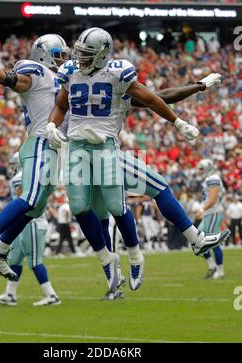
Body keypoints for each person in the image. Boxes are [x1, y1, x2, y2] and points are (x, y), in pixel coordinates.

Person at [48, 27, 230, 293]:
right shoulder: (73, 75)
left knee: (119, 205)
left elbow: (159, 97)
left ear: (101, 56)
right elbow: (61, 106)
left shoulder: (118, 81)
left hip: (106, 149)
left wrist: (197, 89)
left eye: (88, 54)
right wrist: (52, 127)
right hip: (78, 149)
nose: (81, 59)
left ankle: (139, 256)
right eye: (81, 53)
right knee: (93, 210)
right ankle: (115, 264)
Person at [0, 35, 70, 279]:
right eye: (57, 53)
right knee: (31, 197)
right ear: (43, 54)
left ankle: (1, 250)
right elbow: (14, 80)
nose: (62, 58)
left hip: (57, 149)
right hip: (39, 142)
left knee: (35, 209)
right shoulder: (37, 71)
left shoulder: (63, 77)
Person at [0, 154, 60, 306]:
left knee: (34, 261)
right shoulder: (33, 173)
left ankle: (51, 295)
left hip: (32, 223)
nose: (11, 167)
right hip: (25, 224)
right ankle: (10, 294)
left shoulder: (20, 177)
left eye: (13, 164)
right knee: (14, 260)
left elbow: (22, 202)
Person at [195, 159, 225, 279]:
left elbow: (212, 199)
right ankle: (212, 266)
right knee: (197, 241)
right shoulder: (207, 179)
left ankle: (220, 270)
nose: (199, 171)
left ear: (208, 168)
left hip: (214, 213)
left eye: (201, 168)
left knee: (213, 242)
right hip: (208, 213)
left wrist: (202, 209)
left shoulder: (214, 178)